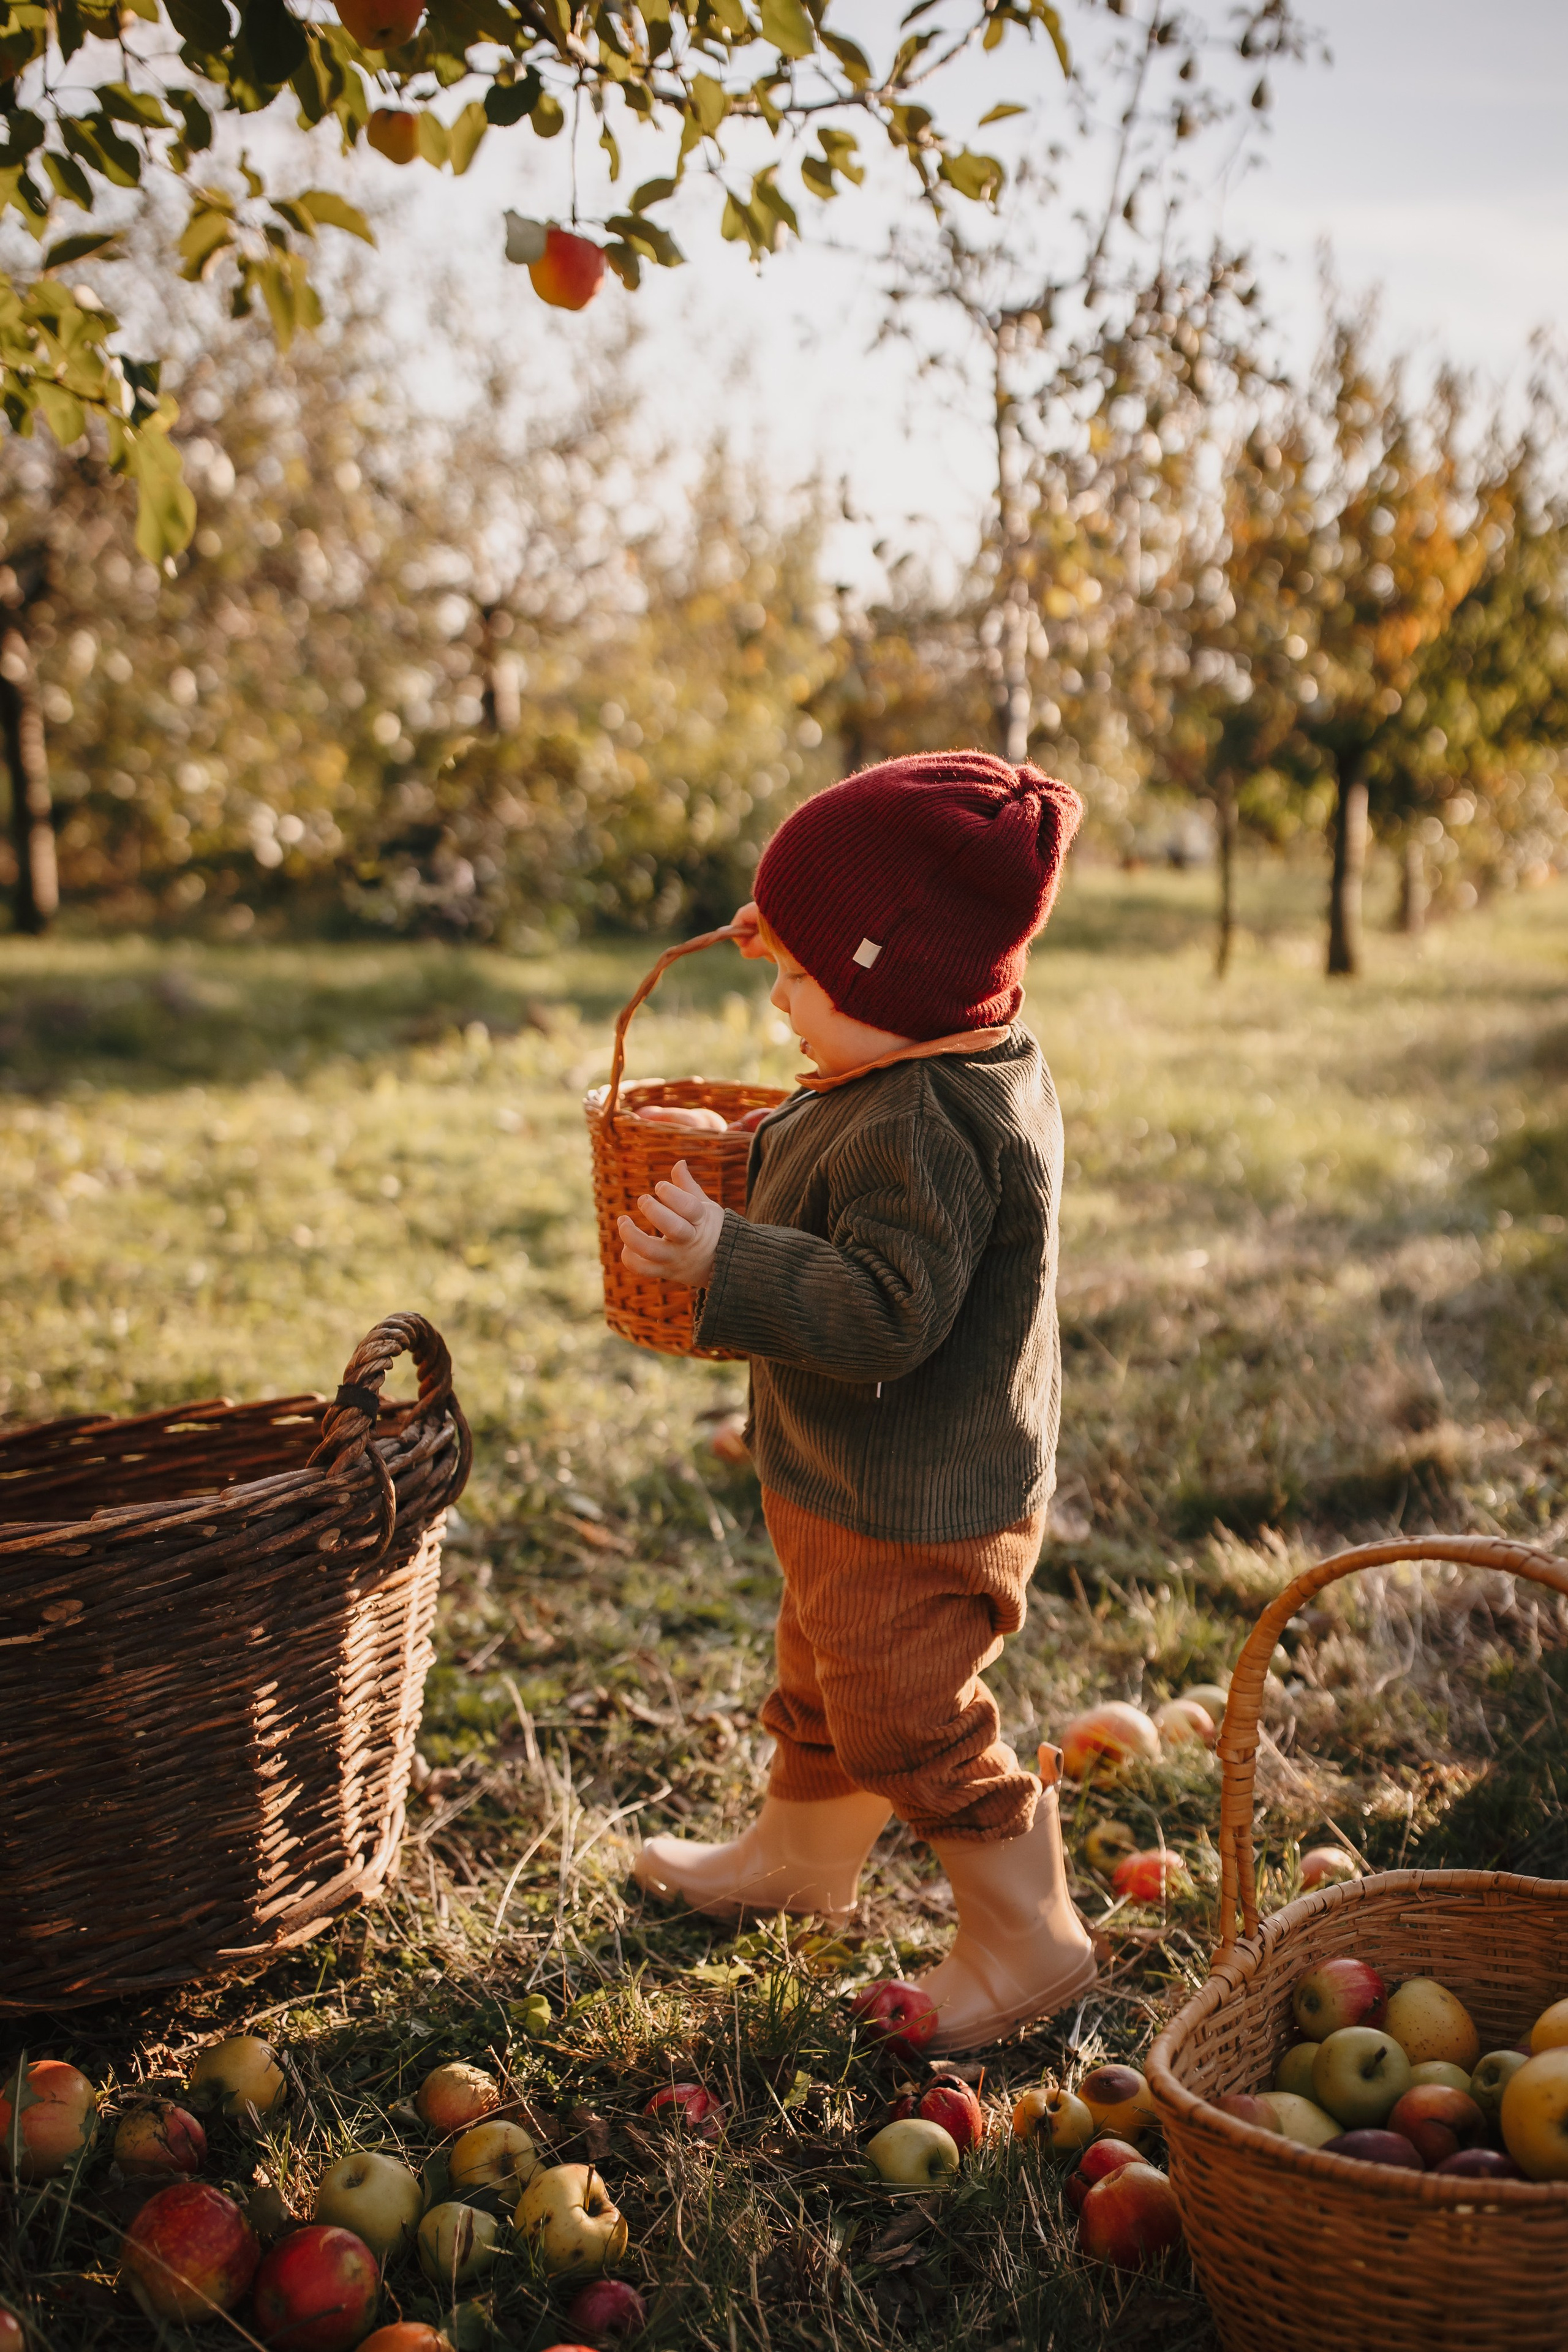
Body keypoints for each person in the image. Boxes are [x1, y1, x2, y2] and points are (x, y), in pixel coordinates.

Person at [617, 749, 1095, 2053]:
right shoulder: (915, 1048)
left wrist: (728, 1257)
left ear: (894, 974)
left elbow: (889, 1308)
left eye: (801, 975)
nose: (778, 996)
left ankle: (1025, 1933)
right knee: (823, 1674)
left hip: (919, 1495)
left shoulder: (931, 1116)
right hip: (849, 1475)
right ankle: (800, 1858)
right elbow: (844, 1074)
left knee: (903, 1710)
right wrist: (811, 938)